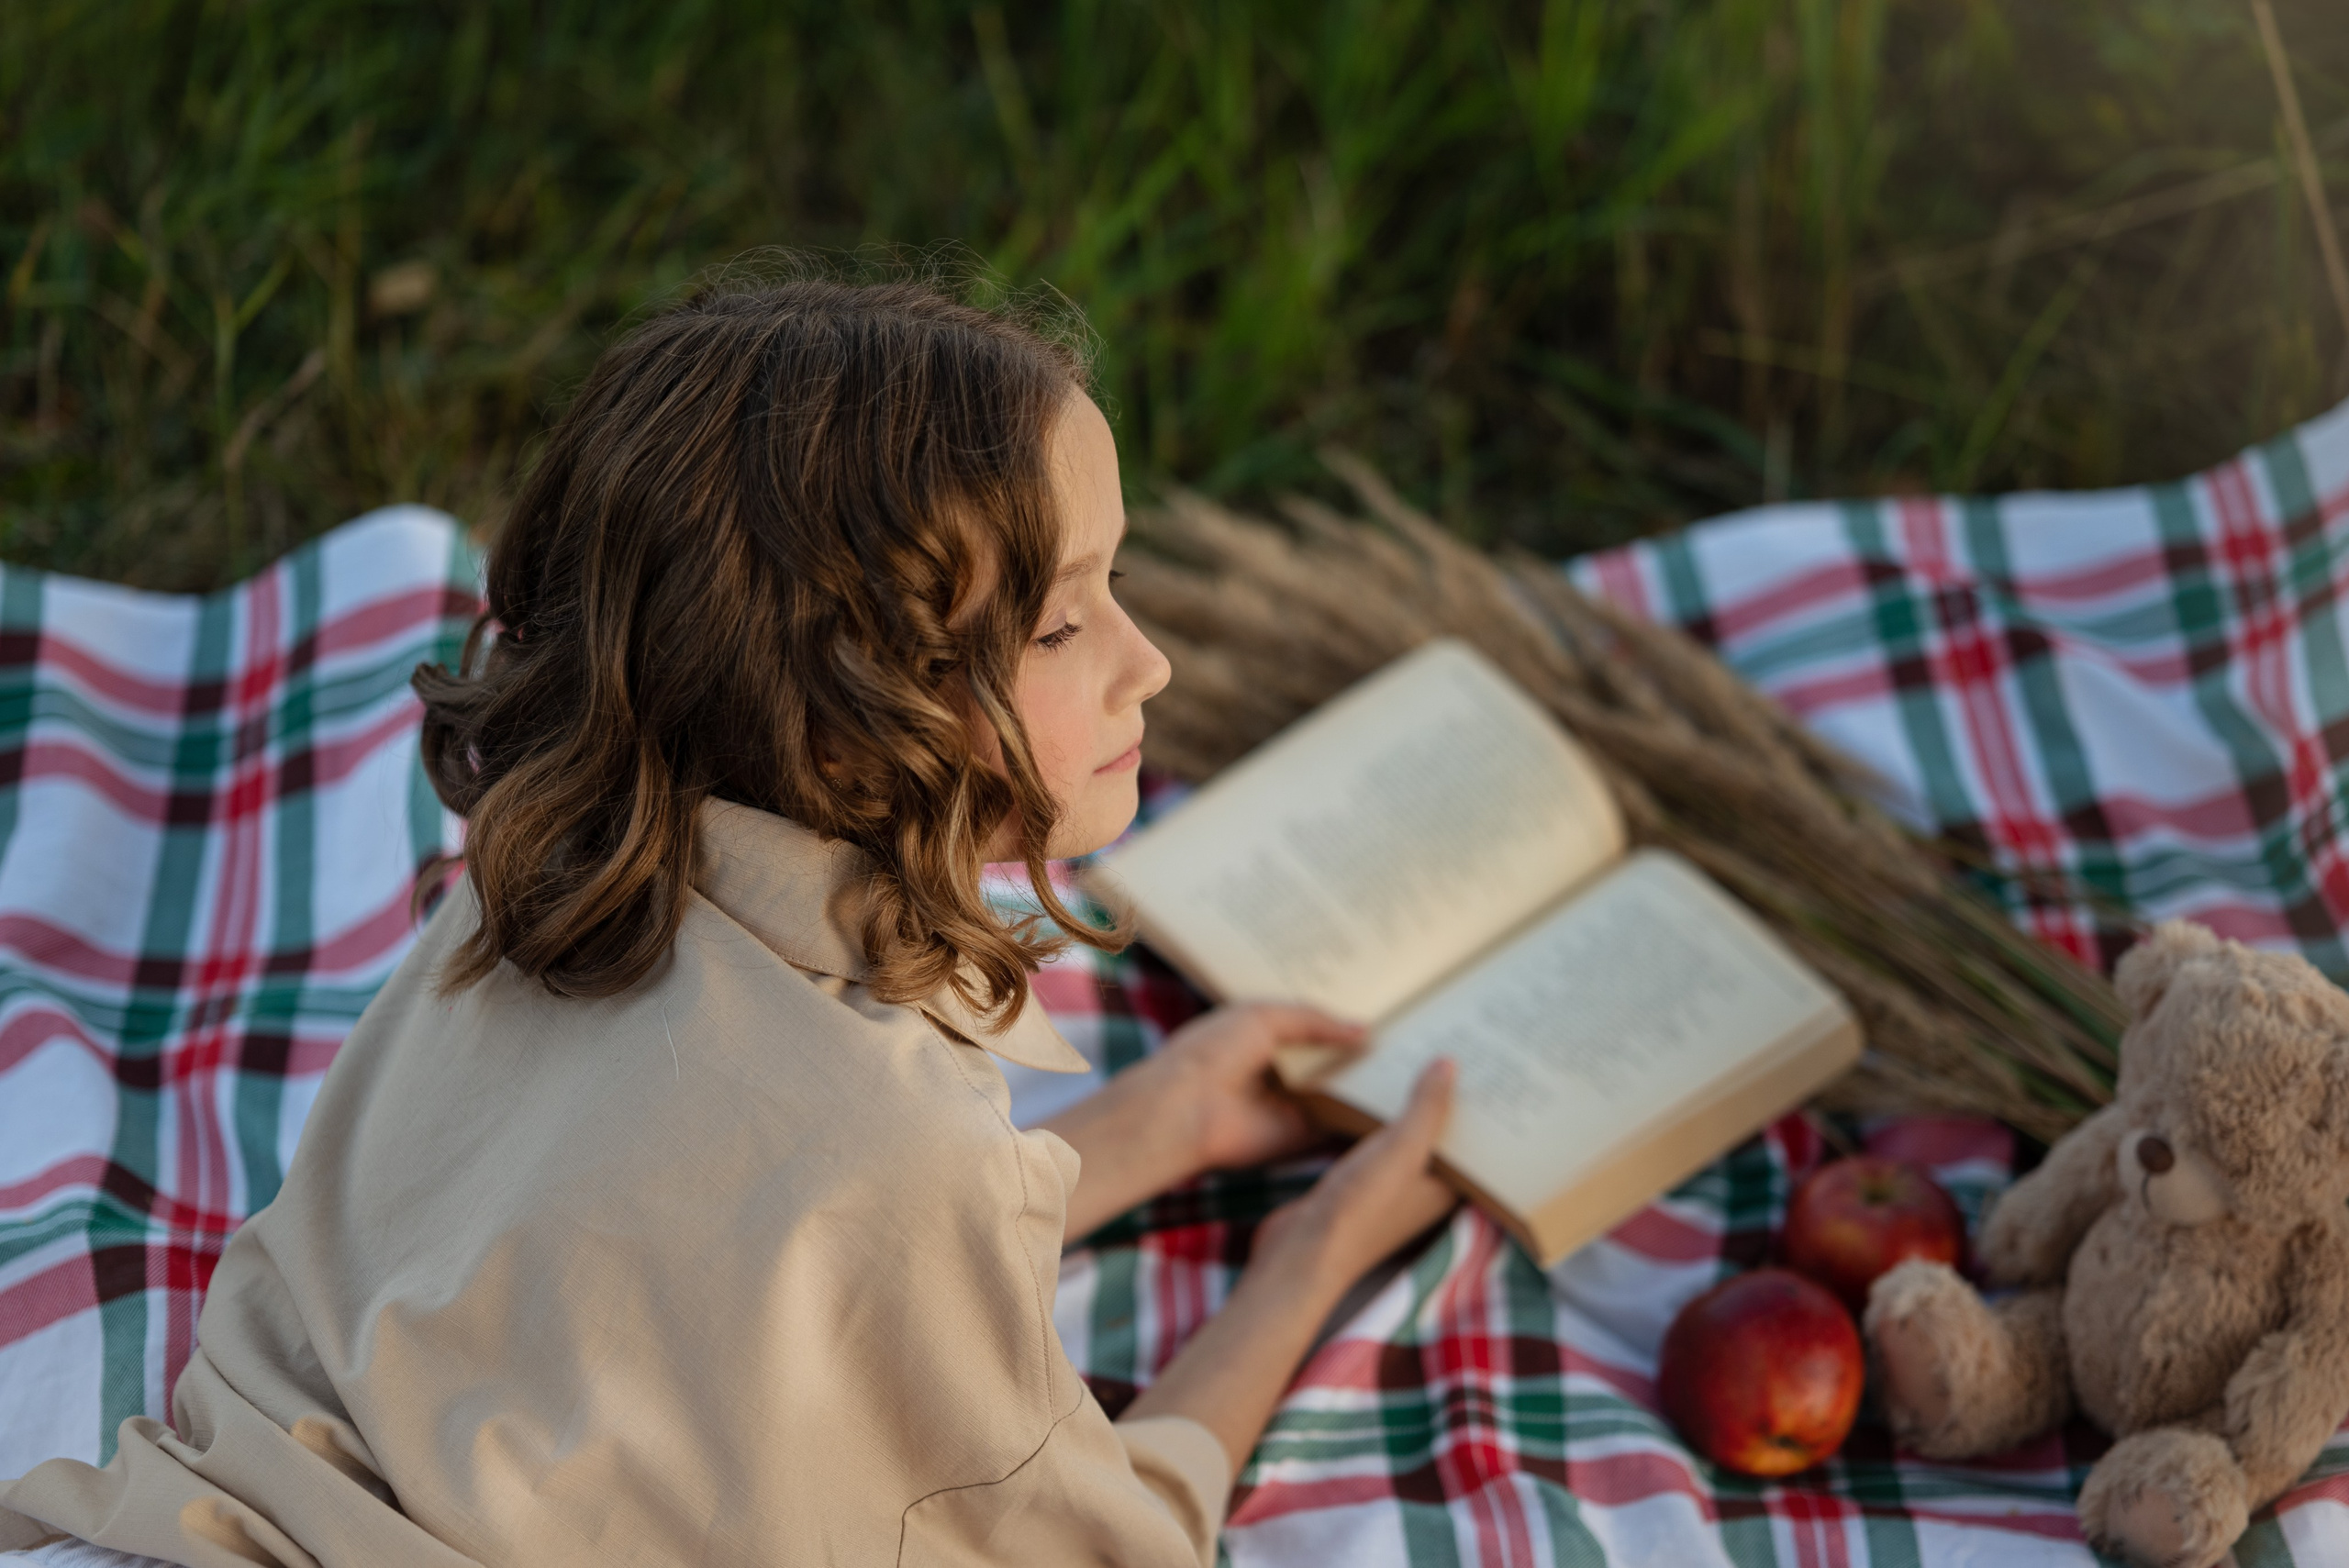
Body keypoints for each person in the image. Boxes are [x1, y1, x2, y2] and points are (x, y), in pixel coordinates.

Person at [0, 274, 1458, 1566]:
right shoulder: (900, 1154)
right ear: (842, 722)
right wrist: (1309, 1261)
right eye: (1064, 624)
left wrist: (1168, 1122)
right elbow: (1099, 1541)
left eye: (1112, 584)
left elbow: (757, 1257)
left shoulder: (543, 881)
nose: (1149, 663)